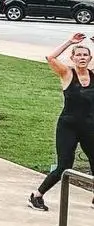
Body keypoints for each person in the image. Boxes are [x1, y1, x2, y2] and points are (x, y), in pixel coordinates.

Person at [29, 34, 94, 211]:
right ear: (72, 58)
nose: (81, 58)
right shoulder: (67, 74)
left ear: (90, 58)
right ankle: (37, 195)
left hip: (89, 127)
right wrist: (70, 42)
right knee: (64, 166)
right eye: (78, 55)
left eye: (85, 55)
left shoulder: (93, 75)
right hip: (68, 127)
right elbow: (50, 58)